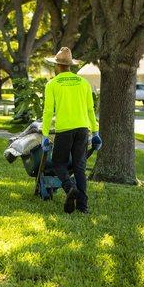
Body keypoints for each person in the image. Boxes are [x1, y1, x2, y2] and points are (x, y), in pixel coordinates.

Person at [41, 47, 101, 214]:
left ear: (57, 66)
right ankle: (83, 207)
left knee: (59, 163)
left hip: (64, 130)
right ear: (70, 66)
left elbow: (48, 112)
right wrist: (95, 133)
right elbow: (91, 110)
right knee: (80, 167)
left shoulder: (52, 84)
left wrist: (45, 135)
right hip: (83, 130)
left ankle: (69, 188)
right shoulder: (84, 83)